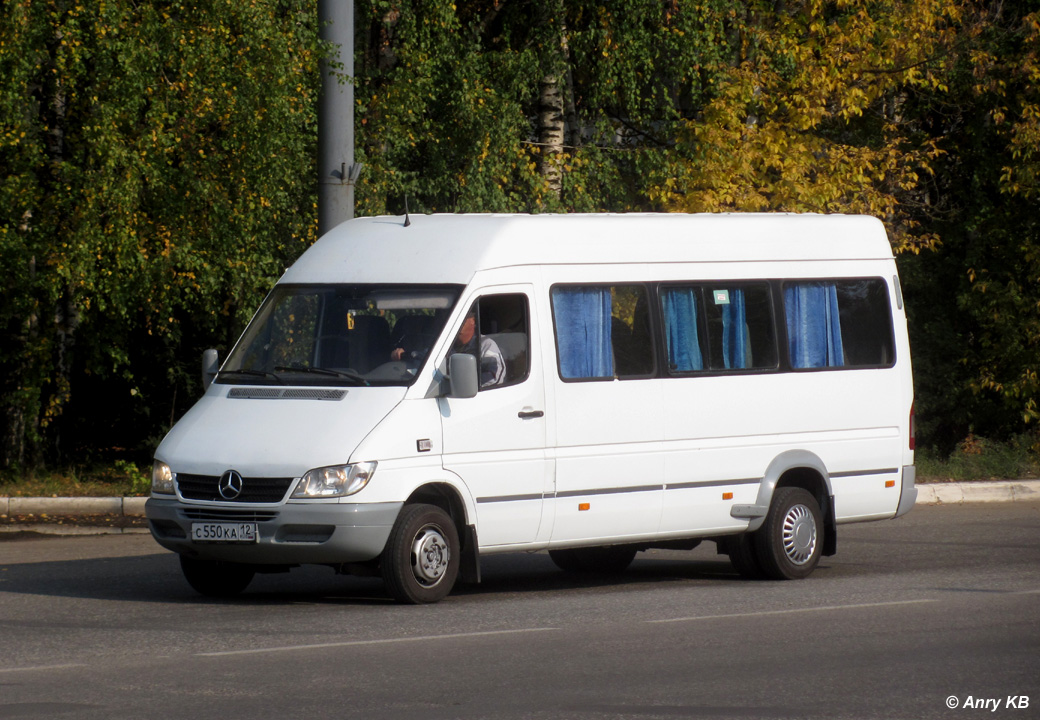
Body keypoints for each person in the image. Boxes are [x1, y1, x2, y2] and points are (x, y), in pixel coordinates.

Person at [451, 311, 504, 388]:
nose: (456, 323)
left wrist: (465, 383)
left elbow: (495, 377)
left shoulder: (486, 344)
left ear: (472, 320)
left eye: (461, 318)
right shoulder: (446, 345)